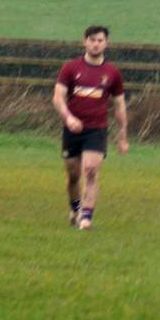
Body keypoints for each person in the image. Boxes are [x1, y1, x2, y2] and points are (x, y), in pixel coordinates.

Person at [53, 25, 127, 230]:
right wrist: (68, 118)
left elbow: (120, 105)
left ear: (106, 44)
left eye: (100, 40)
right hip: (72, 129)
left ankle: (86, 218)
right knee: (73, 176)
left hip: (97, 129)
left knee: (91, 171)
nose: (96, 44)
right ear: (85, 42)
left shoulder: (112, 73)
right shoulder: (70, 68)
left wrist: (123, 135)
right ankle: (75, 208)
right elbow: (58, 98)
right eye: (92, 40)